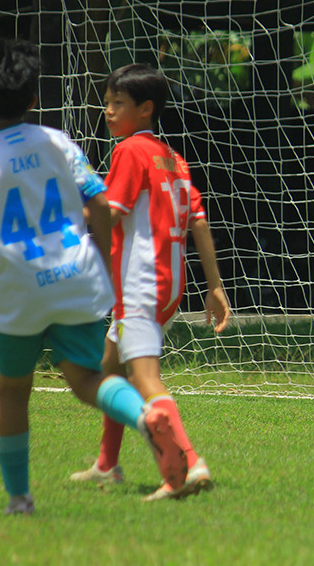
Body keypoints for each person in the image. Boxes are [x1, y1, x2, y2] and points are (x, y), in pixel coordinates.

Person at [0, 38, 187, 515]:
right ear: (33, 99)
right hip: (77, 279)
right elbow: (99, 205)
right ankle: (147, 414)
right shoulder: (58, 143)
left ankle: (19, 499)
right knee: (88, 377)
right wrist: (93, 255)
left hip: (15, 288)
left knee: (13, 391)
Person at [68, 63, 230, 500]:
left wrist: (57, 221)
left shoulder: (129, 151)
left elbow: (110, 211)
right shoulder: (172, 158)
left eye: (118, 103)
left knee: (144, 378)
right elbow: (198, 221)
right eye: (107, 103)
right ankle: (107, 464)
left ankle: (189, 463)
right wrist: (214, 285)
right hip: (168, 281)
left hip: (141, 279)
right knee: (108, 369)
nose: (108, 111)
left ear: (145, 109)